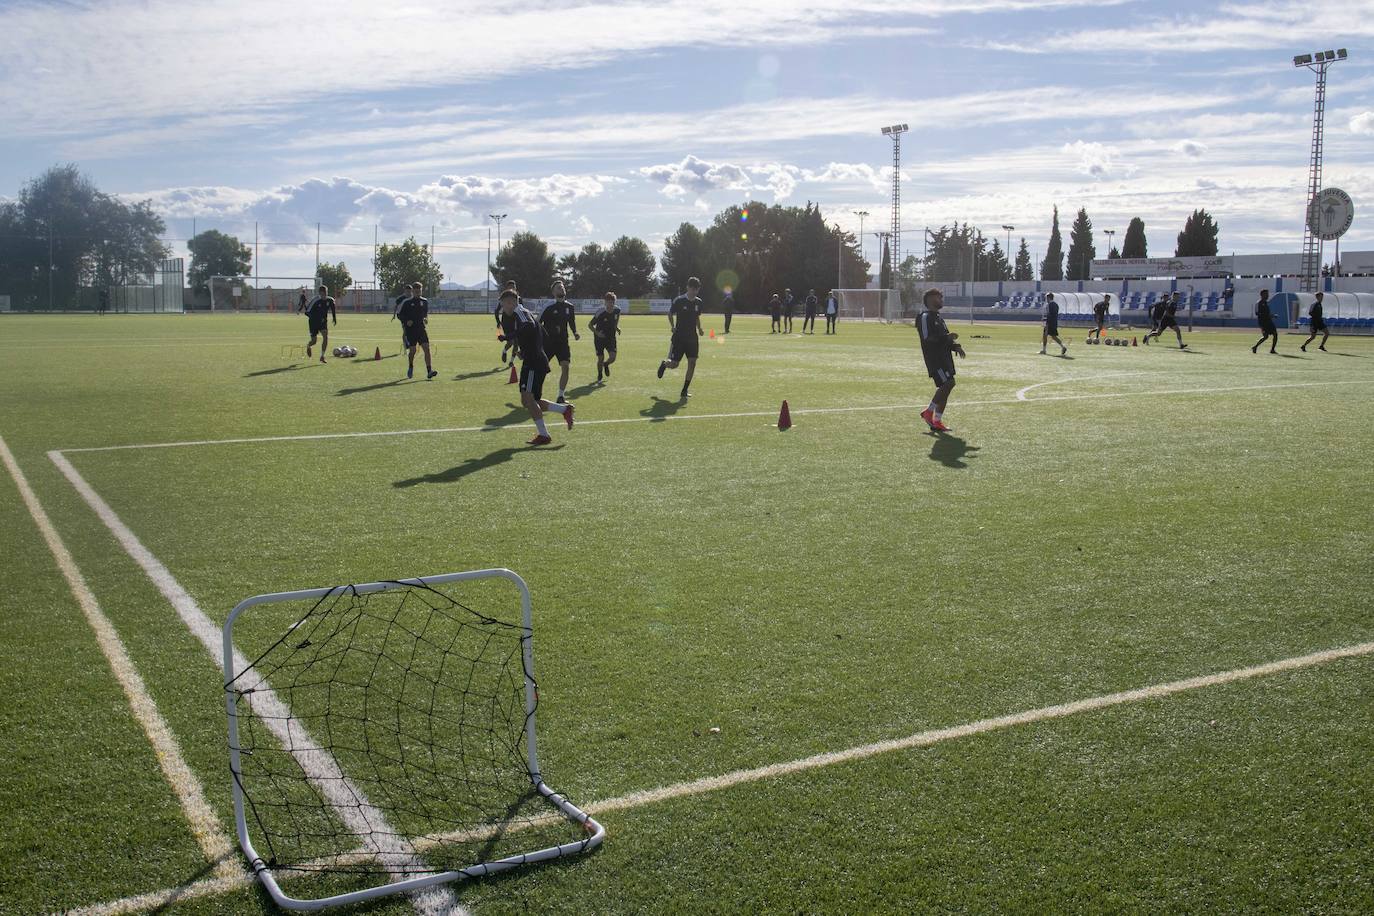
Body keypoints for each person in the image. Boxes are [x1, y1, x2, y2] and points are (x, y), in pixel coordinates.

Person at [499, 289, 573, 446]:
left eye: (506, 303)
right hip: (534, 359)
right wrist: (525, 351)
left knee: (528, 398)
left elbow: (529, 326)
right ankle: (564, 410)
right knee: (530, 401)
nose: (504, 306)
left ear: (512, 302)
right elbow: (538, 332)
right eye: (503, 304)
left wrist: (508, 337)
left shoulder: (519, 311)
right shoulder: (520, 313)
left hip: (534, 362)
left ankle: (544, 435)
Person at [917, 289, 965, 433]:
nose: (942, 299)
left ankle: (937, 421)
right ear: (931, 299)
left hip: (945, 358)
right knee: (949, 383)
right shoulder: (924, 317)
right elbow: (927, 339)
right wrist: (947, 338)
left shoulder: (938, 318)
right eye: (939, 297)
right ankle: (928, 412)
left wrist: (955, 346)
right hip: (935, 359)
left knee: (946, 387)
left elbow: (944, 338)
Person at [657, 276, 704, 399]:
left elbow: (697, 317)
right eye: (692, 288)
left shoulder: (699, 302)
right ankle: (664, 364)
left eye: (696, 289)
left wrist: (699, 328)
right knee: (674, 364)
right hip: (679, 338)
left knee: (692, 362)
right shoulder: (679, 300)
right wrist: (672, 326)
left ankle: (684, 390)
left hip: (692, 338)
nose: (694, 291)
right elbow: (670, 313)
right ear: (687, 287)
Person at [540, 281, 580, 403]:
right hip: (548, 343)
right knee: (541, 369)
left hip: (563, 343)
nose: (561, 289)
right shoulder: (548, 307)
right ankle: (536, 393)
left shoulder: (570, 307)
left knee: (566, 367)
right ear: (553, 292)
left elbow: (571, 322)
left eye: (562, 287)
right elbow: (537, 324)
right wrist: (550, 330)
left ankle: (561, 396)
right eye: (558, 287)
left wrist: (575, 332)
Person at [397, 282, 438, 379]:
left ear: (421, 290)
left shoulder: (425, 301)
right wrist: (407, 321)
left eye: (419, 291)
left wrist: (425, 319)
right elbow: (399, 315)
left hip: (421, 329)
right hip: (411, 331)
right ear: (413, 291)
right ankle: (411, 366)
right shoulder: (407, 302)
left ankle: (429, 371)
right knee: (413, 351)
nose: (417, 293)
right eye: (415, 291)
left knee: (427, 349)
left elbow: (425, 314)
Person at [589, 291, 622, 382]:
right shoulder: (600, 312)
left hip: (611, 338)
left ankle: (606, 364)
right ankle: (600, 374)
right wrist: (597, 333)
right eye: (608, 302)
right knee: (600, 358)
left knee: (613, 357)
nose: (610, 304)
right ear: (605, 302)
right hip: (599, 338)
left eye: (612, 302)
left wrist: (617, 328)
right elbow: (590, 325)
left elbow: (615, 322)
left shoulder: (617, 310)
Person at [299, 284, 337, 362]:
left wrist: (334, 318)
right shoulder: (315, 300)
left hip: (323, 322)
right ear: (320, 293)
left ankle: (322, 356)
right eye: (323, 293)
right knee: (314, 341)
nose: (324, 295)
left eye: (326, 293)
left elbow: (333, 308)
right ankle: (308, 346)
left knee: (325, 337)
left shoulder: (330, 300)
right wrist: (315, 319)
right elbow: (307, 312)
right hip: (313, 323)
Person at [1251, 289, 1278, 354]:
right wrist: (1267, 315)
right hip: (1263, 322)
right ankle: (1255, 347)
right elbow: (1257, 313)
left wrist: (1272, 316)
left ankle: (1272, 349)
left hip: (1269, 321)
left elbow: (1267, 313)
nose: (1268, 295)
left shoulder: (1266, 303)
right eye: (1266, 294)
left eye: (1268, 294)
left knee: (1275, 334)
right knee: (1266, 336)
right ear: (1262, 295)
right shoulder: (1259, 303)